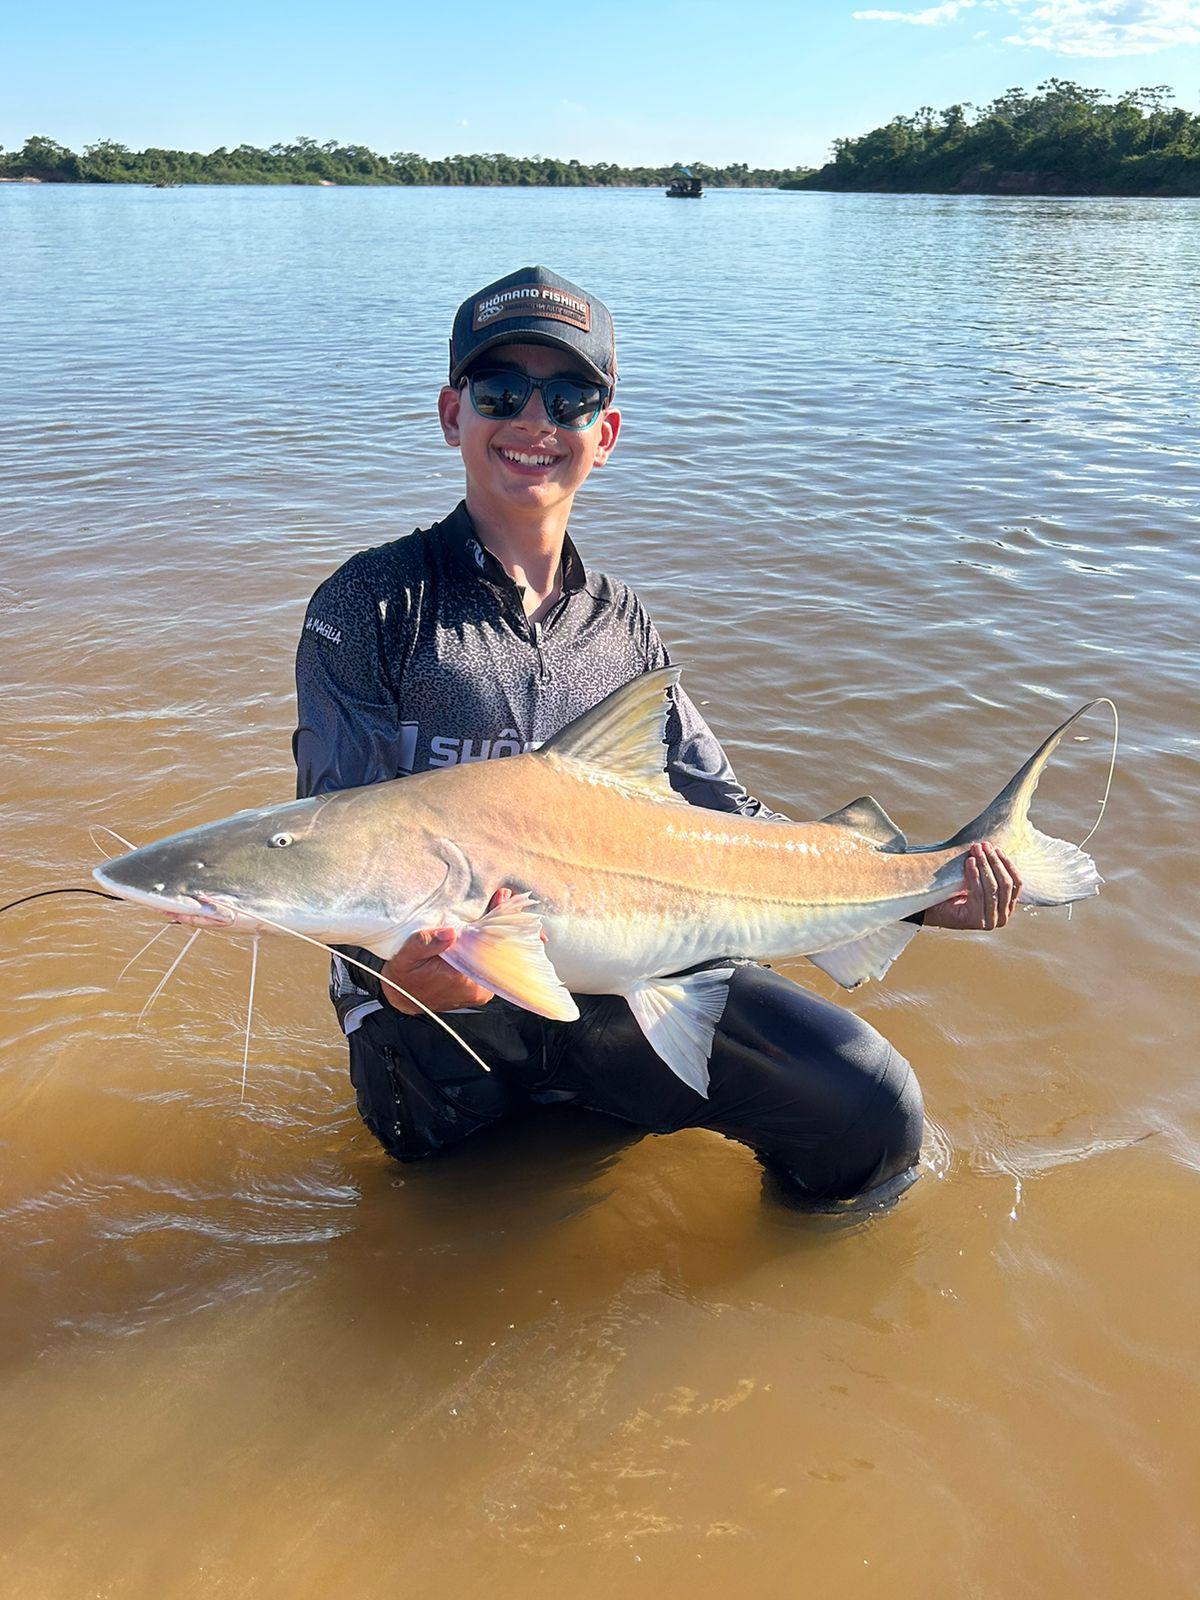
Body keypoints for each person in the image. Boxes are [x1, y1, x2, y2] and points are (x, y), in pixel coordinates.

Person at [293, 265, 1020, 1209]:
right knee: (452, 1221)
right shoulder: (369, 605)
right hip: (436, 1014)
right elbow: (326, 846)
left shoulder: (624, 628)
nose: (534, 422)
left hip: (620, 993)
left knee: (873, 1113)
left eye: (571, 396)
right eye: (500, 392)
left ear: (606, 433)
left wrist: (921, 892)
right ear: (451, 413)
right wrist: (399, 989)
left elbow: (727, 816)